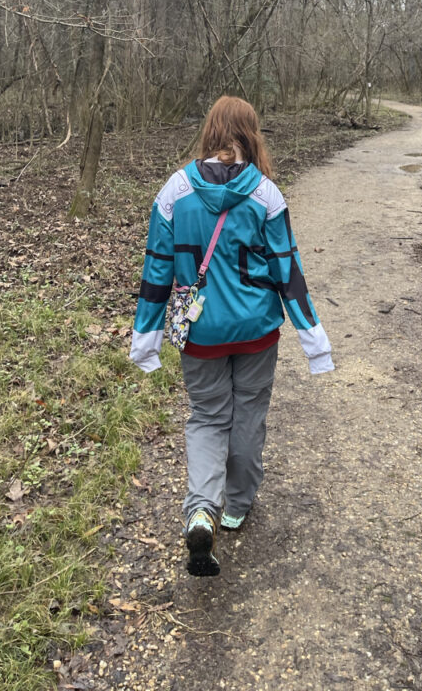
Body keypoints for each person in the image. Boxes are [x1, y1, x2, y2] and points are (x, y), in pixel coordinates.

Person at [130, 96, 334, 576]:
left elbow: (157, 268)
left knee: (207, 417)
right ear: (250, 134)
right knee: (249, 413)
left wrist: (146, 336)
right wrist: (314, 341)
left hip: (200, 333)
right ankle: (237, 504)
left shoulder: (173, 192)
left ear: (210, 131)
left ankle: (202, 508)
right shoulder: (265, 194)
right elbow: (288, 270)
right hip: (257, 331)